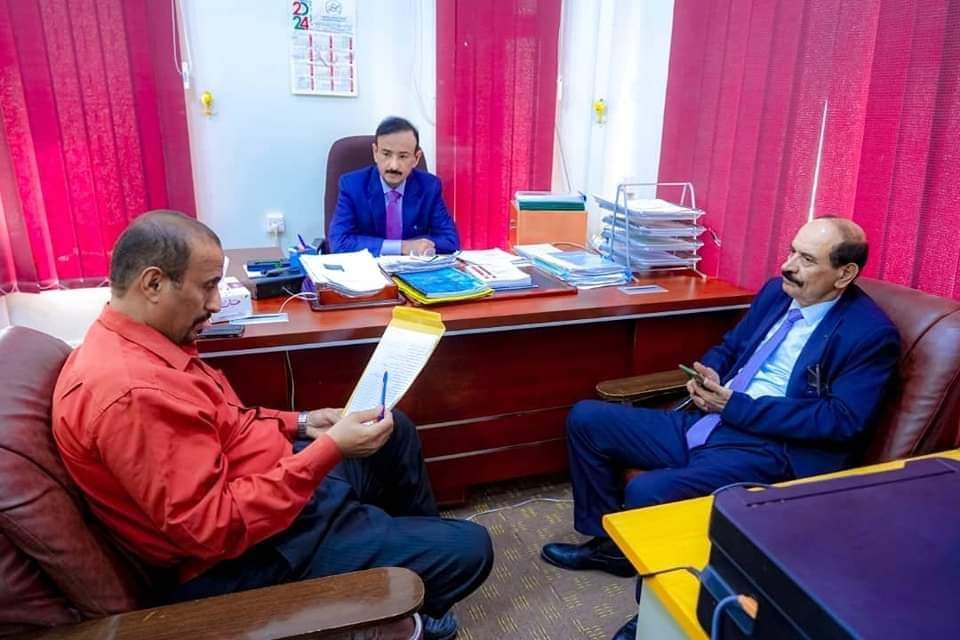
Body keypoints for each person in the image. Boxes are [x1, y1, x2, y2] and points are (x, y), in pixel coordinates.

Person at [52, 211, 490, 640]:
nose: (215, 304)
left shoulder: (141, 344)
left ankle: (395, 581)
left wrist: (303, 423)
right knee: (471, 550)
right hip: (250, 554)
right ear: (153, 284)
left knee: (394, 430)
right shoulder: (133, 396)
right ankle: (391, 594)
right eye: (207, 286)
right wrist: (330, 449)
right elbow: (214, 529)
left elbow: (227, 421)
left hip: (274, 491)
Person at [540, 217, 900, 640]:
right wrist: (709, 371)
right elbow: (731, 348)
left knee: (648, 492)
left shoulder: (869, 334)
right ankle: (612, 546)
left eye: (806, 259)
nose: (788, 266)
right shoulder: (777, 293)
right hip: (711, 417)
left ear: (844, 273)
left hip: (768, 447)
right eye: (791, 251)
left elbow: (840, 420)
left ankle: (656, 612)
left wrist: (737, 407)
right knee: (587, 419)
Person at [328, 116, 460, 256]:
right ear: (375, 153)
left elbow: (450, 241)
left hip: (411, 267)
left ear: (416, 158)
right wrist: (403, 247)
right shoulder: (352, 186)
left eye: (403, 156)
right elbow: (339, 242)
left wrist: (419, 246)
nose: (394, 166)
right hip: (368, 266)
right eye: (386, 154)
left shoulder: (430, 187)